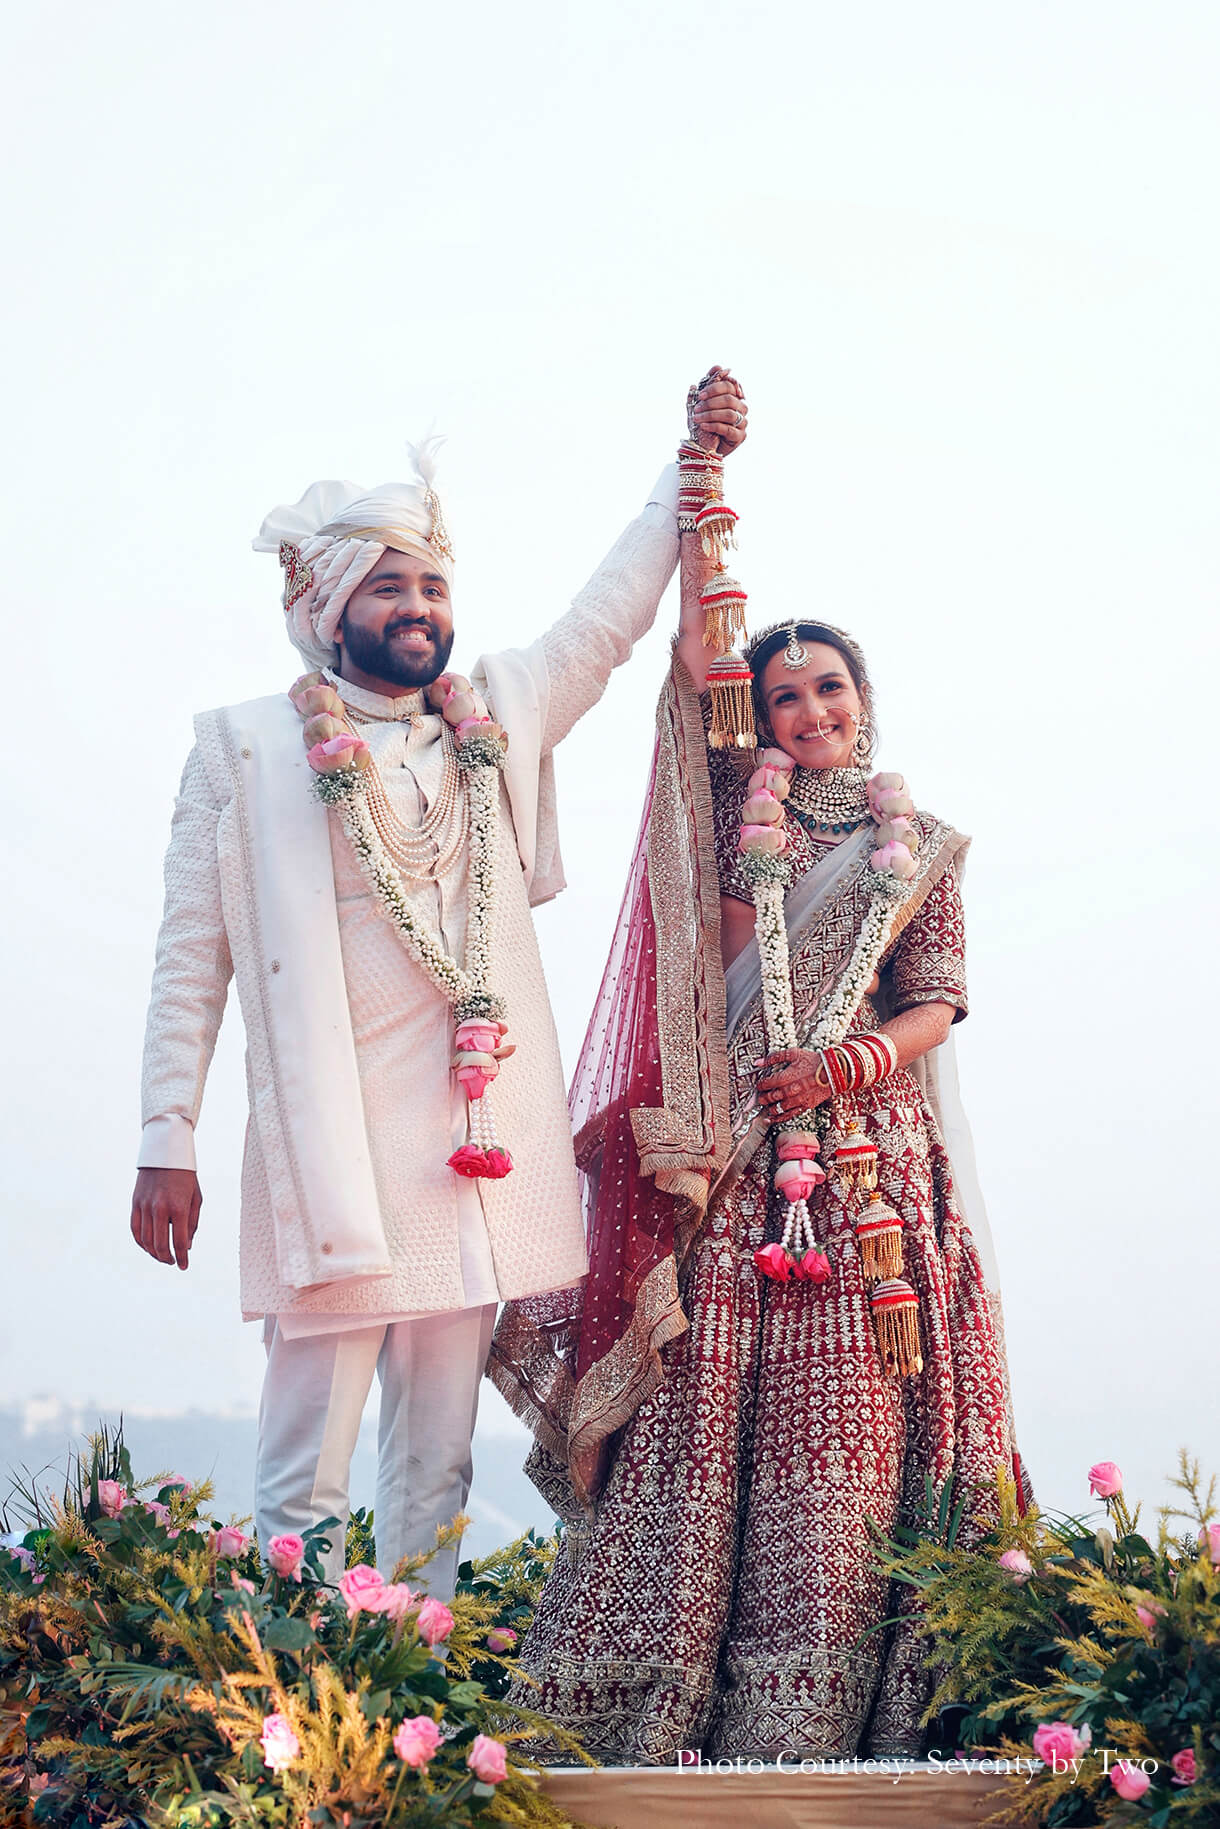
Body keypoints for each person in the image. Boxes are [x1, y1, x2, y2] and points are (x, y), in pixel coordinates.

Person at [129, 373, 749, 1593]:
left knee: (436, 1461)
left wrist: (685, 472)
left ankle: (414, 1716)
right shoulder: (245, 749)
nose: (418, 606)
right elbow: (187, 957)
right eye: (387, 584)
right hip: (334, 1147)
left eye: (431, 584)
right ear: (325, 609)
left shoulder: (497, 716)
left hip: (471, 1148)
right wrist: (166, 1133)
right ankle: (292, 1707)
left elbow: (604, 620)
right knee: (304, 1463)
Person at [489, 464, 1030, 1756]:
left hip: (869, 1176)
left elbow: (936, 1003)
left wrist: (838, 1071)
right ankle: (662, 1701)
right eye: (785, 695)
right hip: (738, 1161)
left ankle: (852, 1715)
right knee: (706, 1414)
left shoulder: (927, 847)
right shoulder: (737, 814)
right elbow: (695, 677)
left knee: (858, 1430)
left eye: (829, 687)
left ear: (865, 702)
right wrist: (702, 486)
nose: (807, 708)